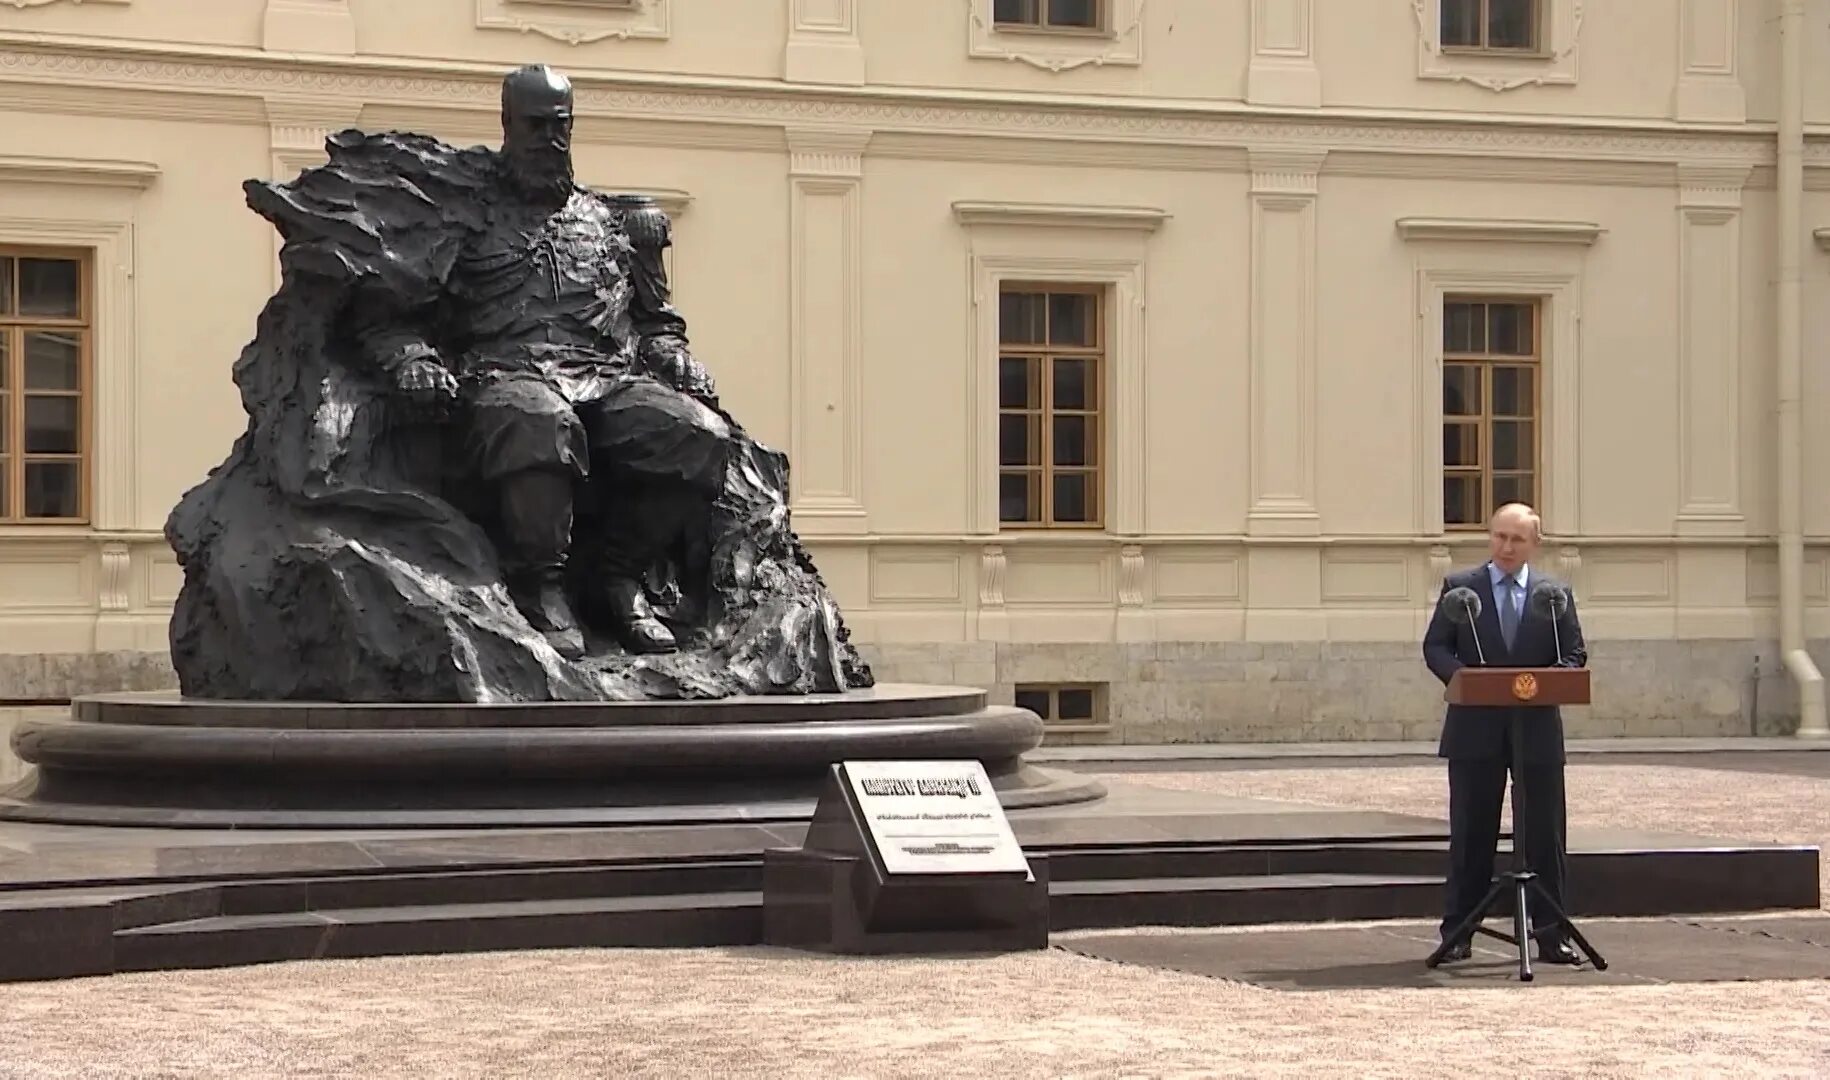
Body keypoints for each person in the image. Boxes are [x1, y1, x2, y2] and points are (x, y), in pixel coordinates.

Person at [343, 63, 727, 659]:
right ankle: (541, 587)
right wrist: (413, 357)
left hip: (605, 377)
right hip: (502, 375)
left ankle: (618, 577)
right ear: (507, 124)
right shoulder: (463, 217)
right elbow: (390, 314)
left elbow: (656, 322)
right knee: (541, 420)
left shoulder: (610, 221)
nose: (549, 140)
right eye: (536, 125)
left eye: (561, 127)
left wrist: (676, 357)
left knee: (695, 434)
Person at [1421, 501, 1588, 963]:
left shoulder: (1553, 595)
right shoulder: (1461, 590)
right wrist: (1461, 679)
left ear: (1534, 543)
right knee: (1472, 832)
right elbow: (1436, 646)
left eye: (1517, 539)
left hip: (1535, 729)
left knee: (1545, 834)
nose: (1506, 547)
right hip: (1476, 727)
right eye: (1499, 537)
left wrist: (1559, 673)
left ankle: (1552, 934)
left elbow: (1574, 652)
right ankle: (1459, 932)